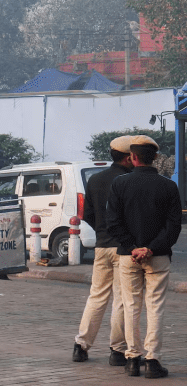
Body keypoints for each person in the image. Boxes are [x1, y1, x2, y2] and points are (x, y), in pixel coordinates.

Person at [106, 135, 182, 379]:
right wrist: (150, 249)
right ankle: (152, 360)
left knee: (130, 307)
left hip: (128, 257)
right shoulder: (169, 186)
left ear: (132, 157)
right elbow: (173, 227)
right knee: (155, 308)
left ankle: (132, 358)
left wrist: (132, 247)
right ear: (156, 158)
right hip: (158, 257)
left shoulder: (119, 184)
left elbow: (113, 223)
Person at [71, 136, 134, 364]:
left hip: (101, 246)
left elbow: (87, 214)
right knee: (121, 299)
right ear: (128, 158)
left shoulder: (95, 180)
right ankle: (117, 351)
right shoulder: (128, 180)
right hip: (122, 248)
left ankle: (81, 345)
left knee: (96, 297)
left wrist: (101, 229)